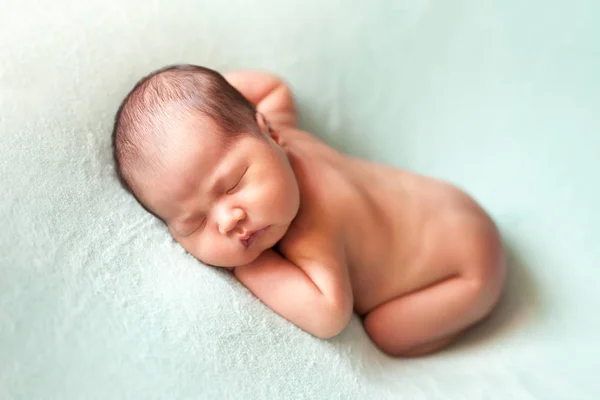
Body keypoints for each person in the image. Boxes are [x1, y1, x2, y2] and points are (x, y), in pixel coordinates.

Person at [111, 64, 507, 357]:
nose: (228, 220)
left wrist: (249, 266)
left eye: (232, 184)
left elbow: (329, 313)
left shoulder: (313, 230)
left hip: (468, 274)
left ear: (269, 133)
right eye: (194, 223)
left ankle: (478, 310)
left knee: (387, 334)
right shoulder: (278, 138)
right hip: (451, 204)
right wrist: (216, 106)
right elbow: (271, 88)